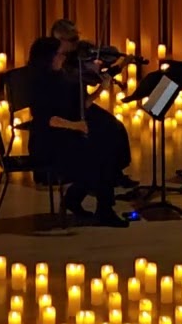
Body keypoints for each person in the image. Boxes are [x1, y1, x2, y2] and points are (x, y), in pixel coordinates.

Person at [26, 37, 128, 228]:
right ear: (48, 58)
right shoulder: (40, 83)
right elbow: (48, 119)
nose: (64, 57)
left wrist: (99, 91)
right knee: (99, 156)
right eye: (59, 54)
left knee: (104, 147)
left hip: (63, 135)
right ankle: (103, 210)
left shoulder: (61, 76)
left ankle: (76, 200)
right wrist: (76, 126)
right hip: (48, 143)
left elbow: (79, 107)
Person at [51, 19, 139, 190]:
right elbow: (83, 101)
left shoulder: (79, 58)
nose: (78, 44)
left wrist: (121, 64)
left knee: (117, 127)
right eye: (73, 41)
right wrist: (101, 89)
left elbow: (97, 77)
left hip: (81, 105)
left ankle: (116, 173)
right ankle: (102, 177)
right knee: (106, 131)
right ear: (60, 40)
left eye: (77, 39)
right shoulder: (62, 66)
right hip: (70, 111)